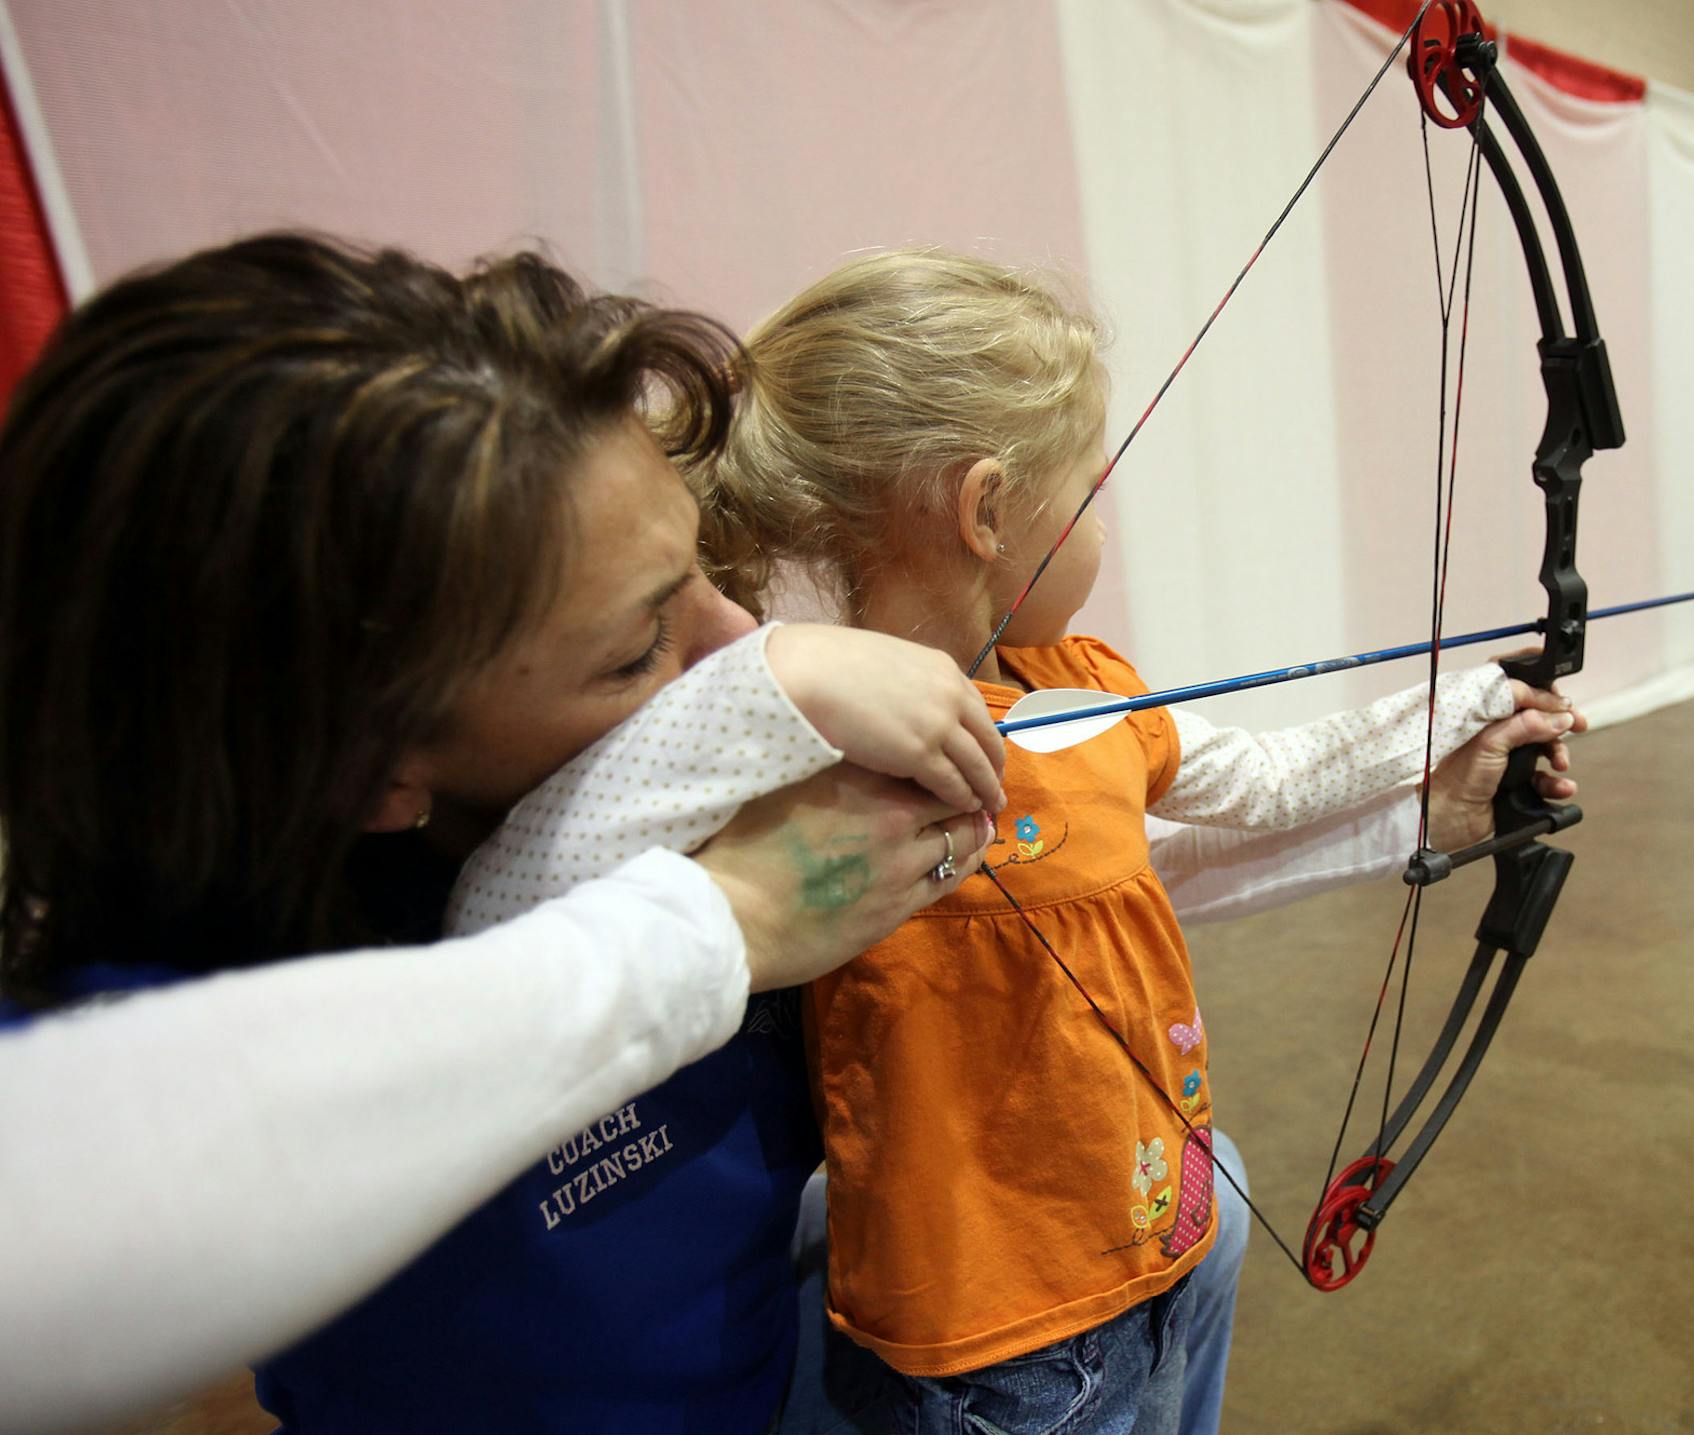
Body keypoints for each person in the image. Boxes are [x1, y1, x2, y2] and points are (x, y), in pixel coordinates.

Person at [461, 247, 1588, 1432]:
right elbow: (508, 893)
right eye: (1086, 488)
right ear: (989, 508)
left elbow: (1256, 785)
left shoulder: (1085, 687)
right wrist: (771, 686)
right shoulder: (798, 756)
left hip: (1156, 1230)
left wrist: (1462, 722)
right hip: (1002, 1346)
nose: (1100, 514)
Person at [0, 233, 1003, 1433]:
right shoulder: (161, 1020)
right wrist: (727, 923)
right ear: (365, 767)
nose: (746, 649)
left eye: (705, 574)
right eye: (638, 649)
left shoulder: (695, 773)